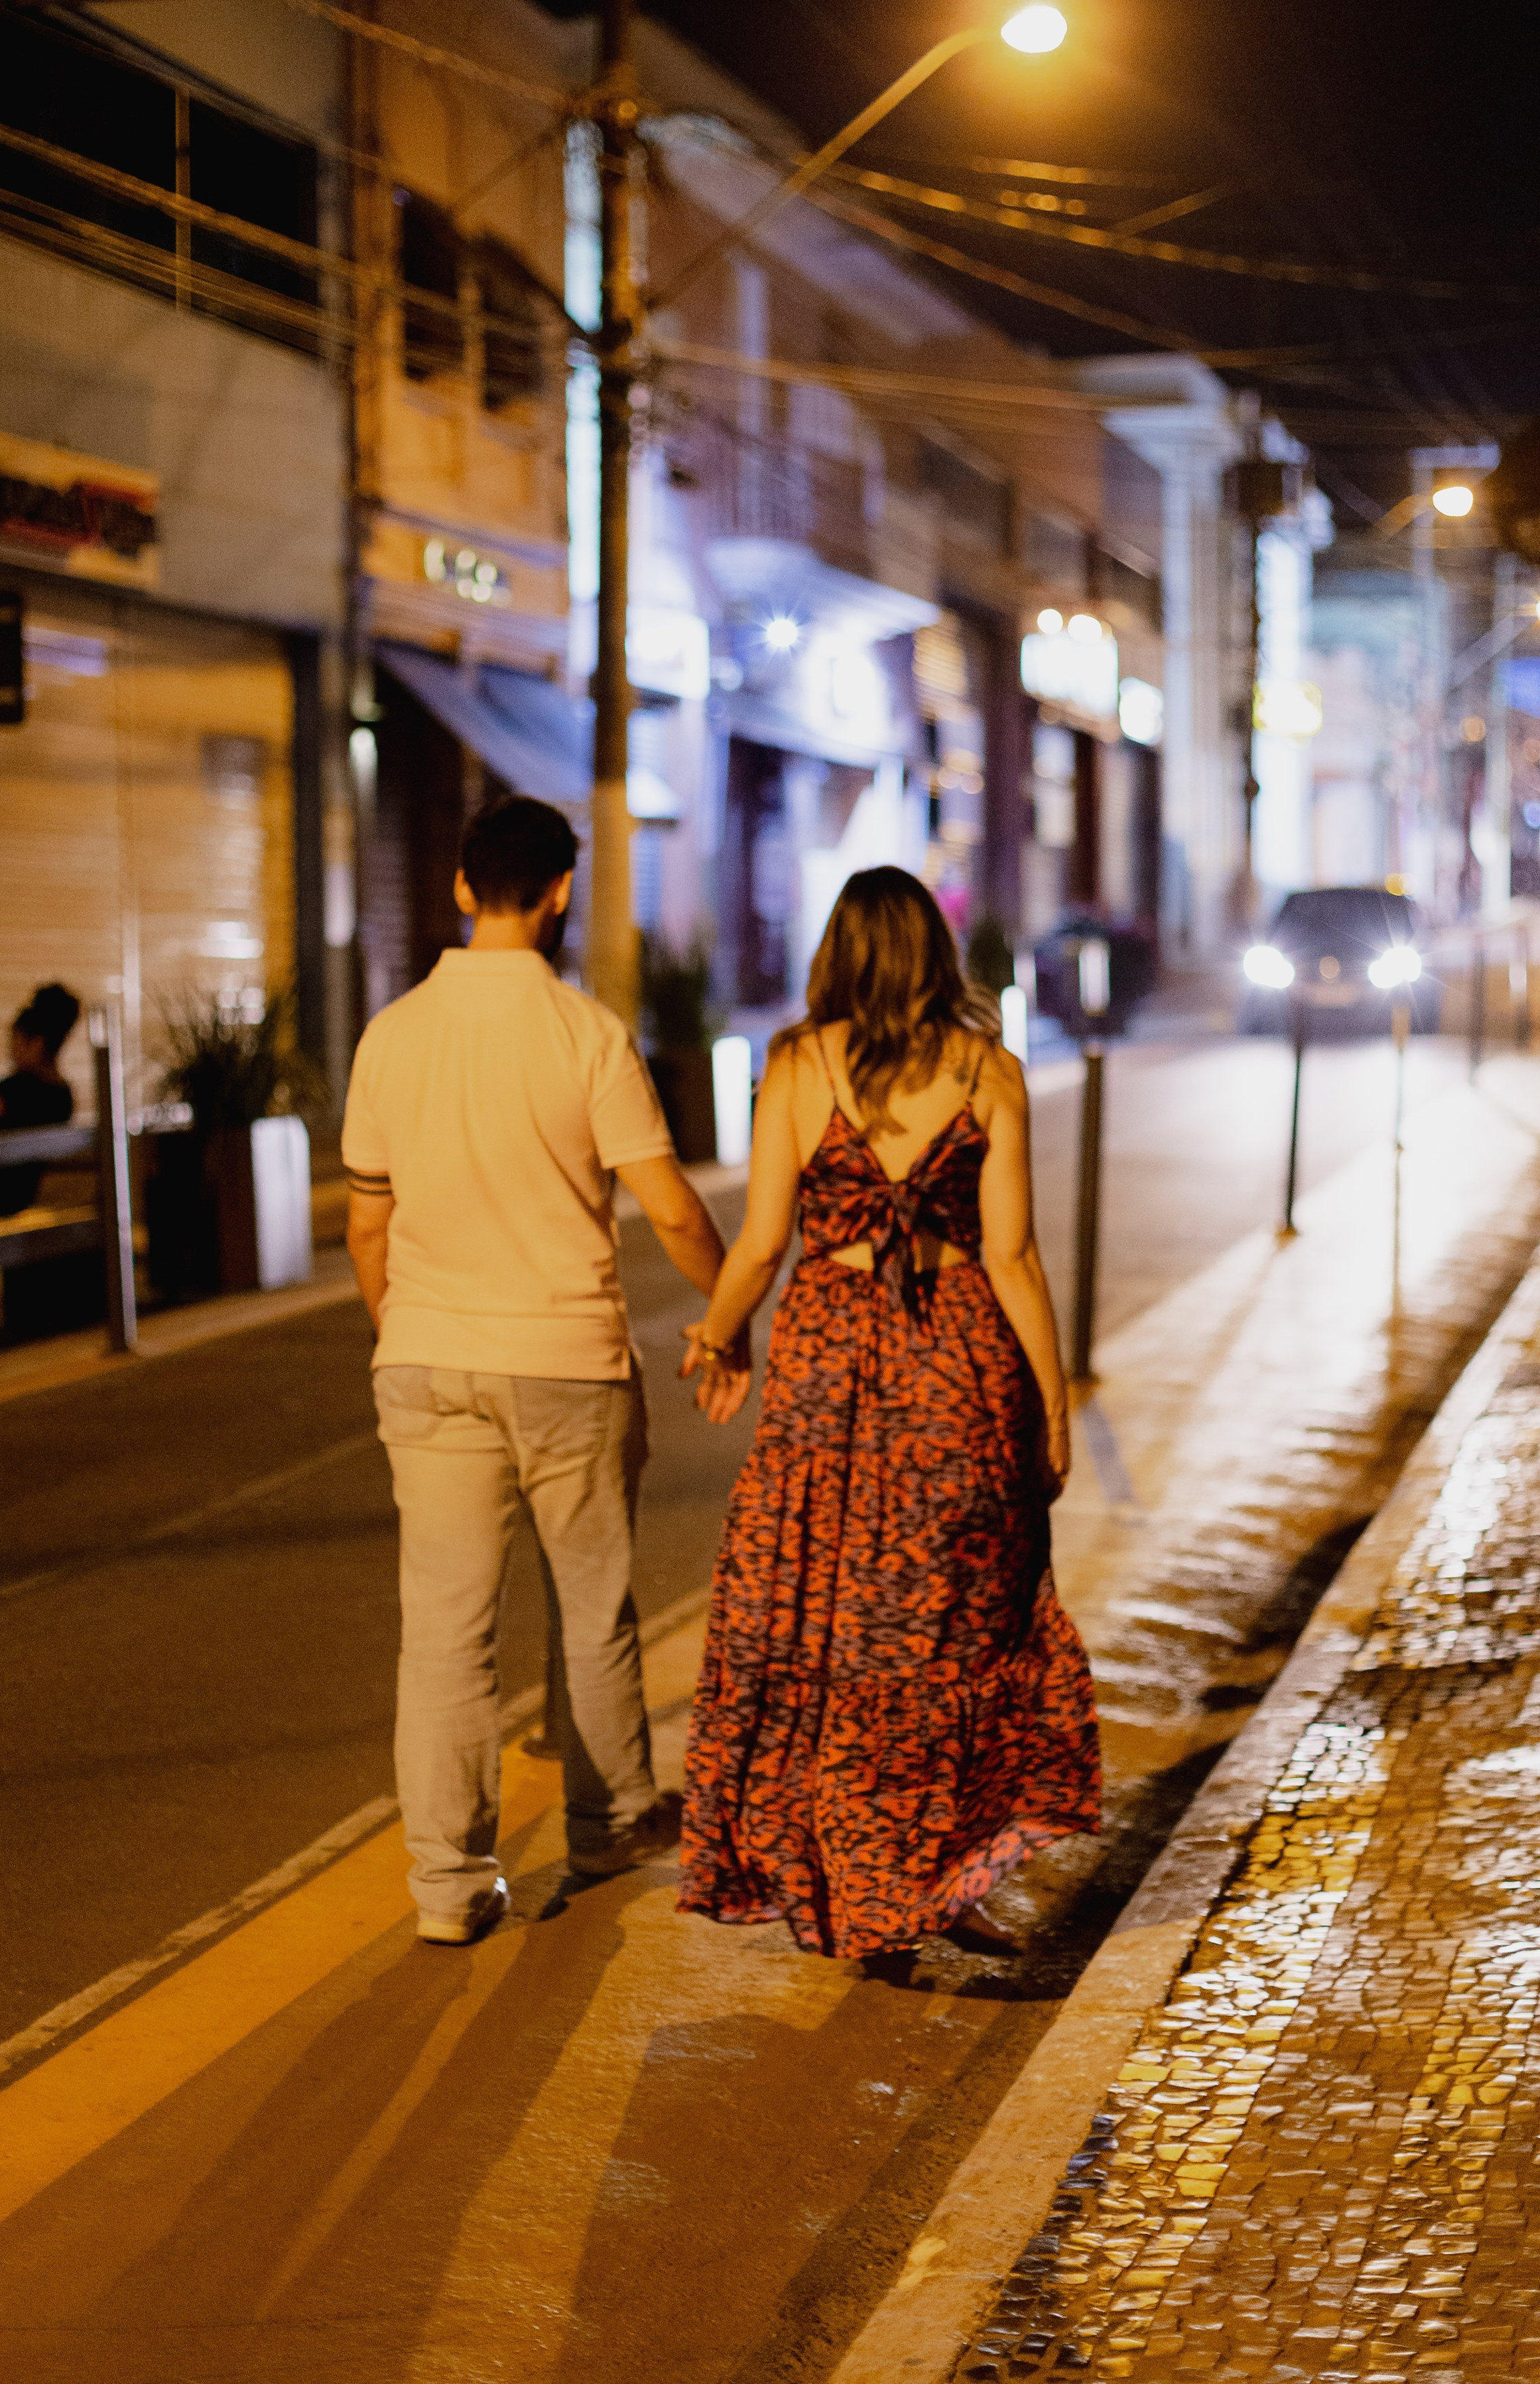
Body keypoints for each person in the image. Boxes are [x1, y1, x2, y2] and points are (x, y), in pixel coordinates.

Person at [342, 794, 749, 1948]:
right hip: (568, 1361)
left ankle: (449, 1886)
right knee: (591, 1605)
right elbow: (670, 1208)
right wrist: (726, 1323)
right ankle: (609, 1815)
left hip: (427, 1358)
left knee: (445, 1633)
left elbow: (369, 1226)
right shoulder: (588, 1037)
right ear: (561, 891)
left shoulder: (393, 1036)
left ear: (464, 890)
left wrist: (400, 1332)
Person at [677, 866, 1100, 1964]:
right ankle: (934, 1880)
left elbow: (764, 1241)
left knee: (820, 1619)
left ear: (838, 955)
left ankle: (848, 1887)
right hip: (957, 1358)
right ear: (934, 956)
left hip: (827, 1364)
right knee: (947, 1629)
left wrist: (717, 1334)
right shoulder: (989, 1071)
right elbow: (1010, 1253)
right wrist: (1051, 1400)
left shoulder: (794, 1064)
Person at [0, 982, 80, 1228]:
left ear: (36, 1043)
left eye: (16, 1043)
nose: (12, 1053)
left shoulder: (15, 1089)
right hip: (25, 1196)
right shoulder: (64, 1095)